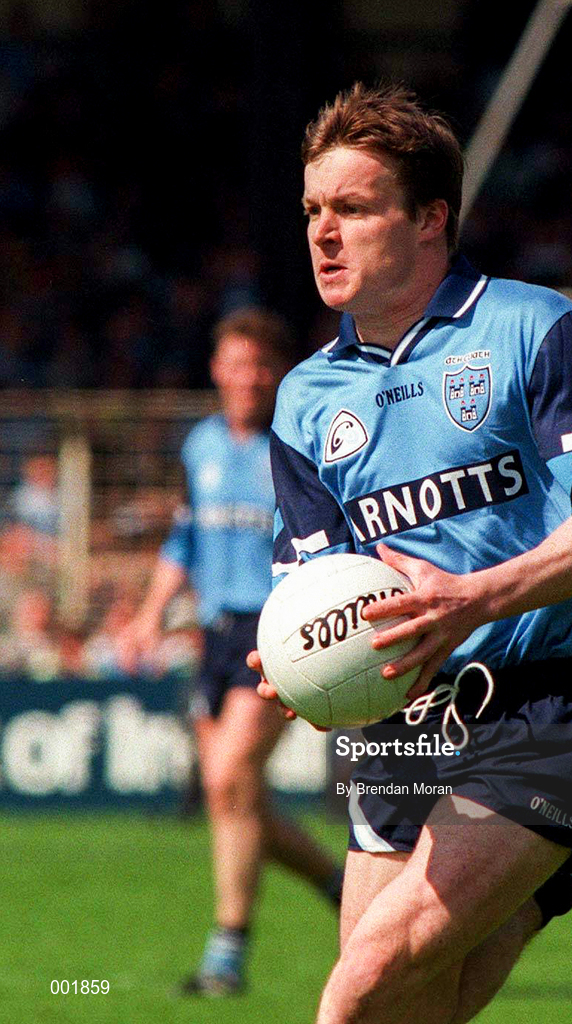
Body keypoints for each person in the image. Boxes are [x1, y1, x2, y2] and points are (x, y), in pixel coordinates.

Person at [250, 84, 572, 1024]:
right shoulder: (305, 399)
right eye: (314, 211)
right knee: (420, 1006)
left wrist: (473, 600)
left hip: (553, 701)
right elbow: (314, 582)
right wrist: (298, 661)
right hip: (404, 721)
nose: (324, 233)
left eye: (354, 209)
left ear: (430, 218)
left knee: (358, 990)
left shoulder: (534, 329)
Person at [123, 307, 343, 997]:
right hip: (214, 637)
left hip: (275, 632)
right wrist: (148, 615)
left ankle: (227, 950)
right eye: (234, 364)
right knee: (235, 797)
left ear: (276, 373)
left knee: (227, 782)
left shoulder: (297, 443)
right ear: (217, 370)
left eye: (259, 366)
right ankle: (338, 883)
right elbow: (184, 541)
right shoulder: (200, 447)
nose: (246, 378)